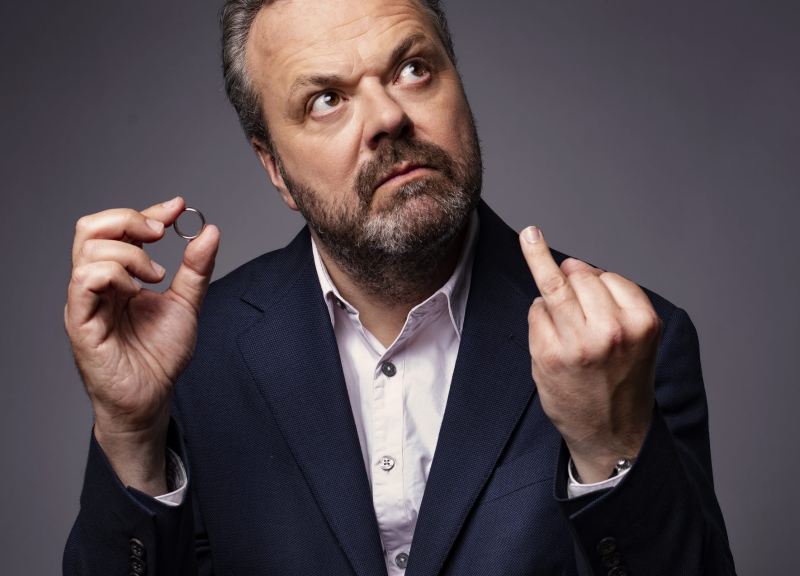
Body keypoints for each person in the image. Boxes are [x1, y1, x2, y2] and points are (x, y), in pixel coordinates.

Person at [63, 0, 736, 574]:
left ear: (459, 85)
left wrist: (608, 449)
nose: (387, 117)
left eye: (413, 69)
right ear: (274, 167)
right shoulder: (194, 360)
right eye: (326, 99)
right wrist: (128, 434)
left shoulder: (629, 341)